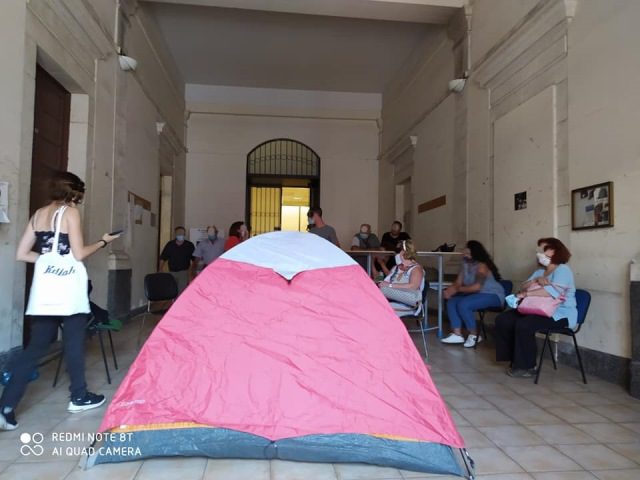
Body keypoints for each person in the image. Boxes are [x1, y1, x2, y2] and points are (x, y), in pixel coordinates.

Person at [1, 171, 120, 431]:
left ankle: (6, 406)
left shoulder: (38, 214)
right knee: (74, 342)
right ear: (74, 193)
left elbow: (22, 253)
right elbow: (78, 254)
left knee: (34, 348)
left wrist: (47, 260)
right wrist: (103, 241)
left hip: (44, 289)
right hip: (67, 289)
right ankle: (79, 396)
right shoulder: (70, 213)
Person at [494, 237, 577, 378]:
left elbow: (550, 293)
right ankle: (514, 359)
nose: (539, 253)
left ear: (554, 251)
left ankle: (527, 366)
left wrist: (526, 294)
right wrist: (535, 280)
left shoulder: (563, 270)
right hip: (536, 309)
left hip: (559, 314)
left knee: (524, 324)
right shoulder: (540, 272)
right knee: (503, 319)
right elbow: (523, 285)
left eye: (543, 249)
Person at [441, 240, 505, 348]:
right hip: (475, 294)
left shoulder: (482, 266)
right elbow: (458, 282)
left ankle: (474, 335)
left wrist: (456, 290)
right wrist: (450, 290)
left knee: (464, 304)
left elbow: (477, 287)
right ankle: (457, 334)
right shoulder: (465, 264)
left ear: (474, 252)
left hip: (492, 295)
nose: (464, 252)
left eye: (467, 251)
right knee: (452, 302)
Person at [378, 240, 425, 315]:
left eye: (397, 252)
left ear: (403, 253)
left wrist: (390, 285)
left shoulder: (416, 269)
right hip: (394, 300)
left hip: (410, 303)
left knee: (382, 291)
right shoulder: (396, 267)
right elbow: (386, 281)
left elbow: (413, 286)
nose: (396, 255)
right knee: (377, 304)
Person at [159, 227, 195, 294]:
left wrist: (191, 272)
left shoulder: (189, 245)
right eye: (179, 233)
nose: (180, 235)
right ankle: (174, 303)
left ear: (184, 234)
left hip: (184, 272)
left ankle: (180, 303)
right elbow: (163, 258)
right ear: (175, 234)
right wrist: (160, 269)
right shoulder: (170, 245)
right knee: (172, 291)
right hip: (172, 272)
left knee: (182, 292)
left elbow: (194, 260)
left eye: (182, 233)